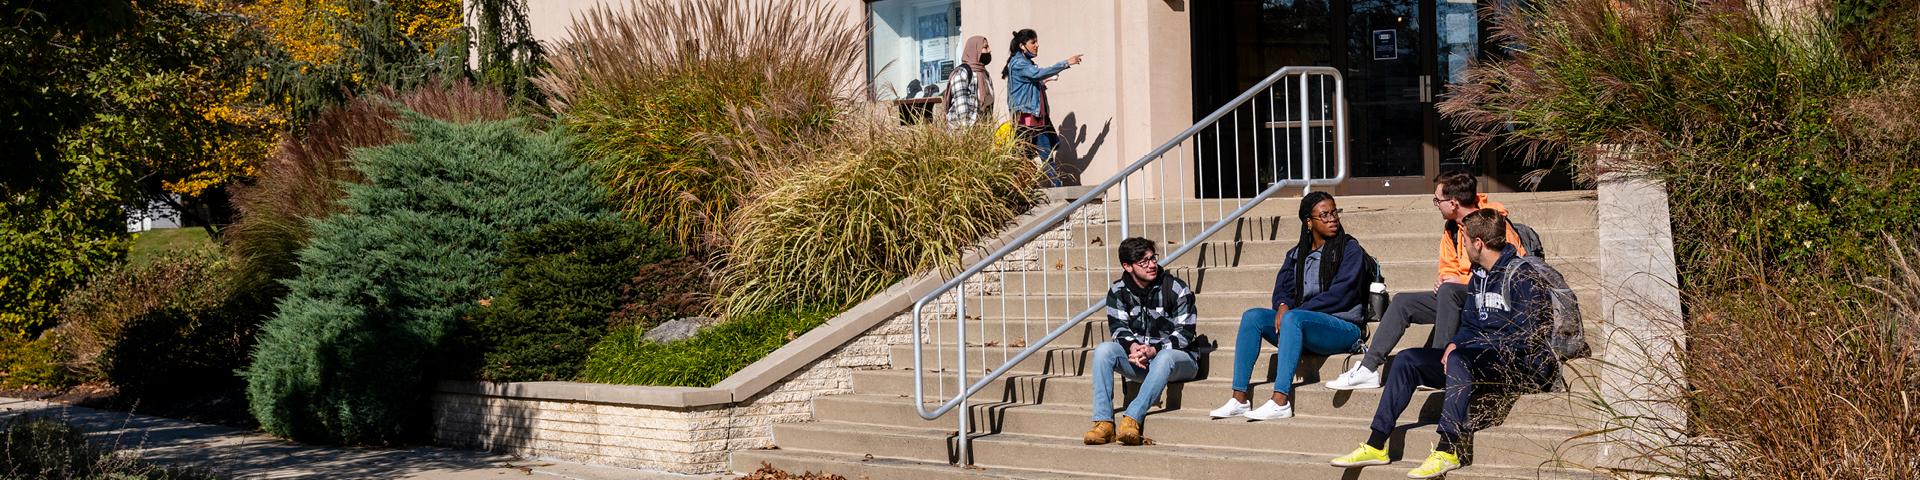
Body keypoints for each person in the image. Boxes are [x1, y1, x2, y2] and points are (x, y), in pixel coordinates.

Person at [1329, 209, 1560, 478]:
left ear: (1478, 243)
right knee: (1407, 360)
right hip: (1478, 358)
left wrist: (1470, 348)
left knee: (1460, 359)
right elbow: (1471, 323)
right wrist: (1457, 342)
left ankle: (1448, 449)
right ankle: (1376, 443)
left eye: (1465, 240)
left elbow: (1531, 334)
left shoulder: (1522, 275)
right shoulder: (1479, 277)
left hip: (1515, 364)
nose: (1462, 247)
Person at [1325, 170, 1526, 390]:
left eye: (1437, 200)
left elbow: (1513, 272)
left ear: (1454, 202)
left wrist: (1457, 281)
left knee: (1449, 291)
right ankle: (1368, 368)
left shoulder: (1494, 223)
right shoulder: (1452, 229)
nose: (1436, 205)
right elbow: (1448, 268)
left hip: (1492, 299)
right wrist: (1446, 279)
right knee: (1403, 302)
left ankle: (1437, 369)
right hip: (1459, 297)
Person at [1208, 192, 1370, 421]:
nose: (1332, 218)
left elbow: (1341, 294)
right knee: (1252, 316)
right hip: (1305, 327)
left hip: (1343, 327)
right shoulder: (1296, 254)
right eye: (1324, 215)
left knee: (1293, 319)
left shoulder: (1349, 249)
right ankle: (1239, 399)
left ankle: (1280, 401)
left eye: (1334, 212)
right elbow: (1283, 289)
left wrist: (1294, 313)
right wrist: (1283, 305)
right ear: (1309, 222)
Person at [1083, 237, 1198, 446]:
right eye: (1143, 262)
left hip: (1181, 360)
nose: (1152, 265)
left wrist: (1154, 349)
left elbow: (1186, 333)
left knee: (1164, 357)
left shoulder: (1176, 288)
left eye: (1152, 258)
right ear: (1127, 266)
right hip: (1142, 361)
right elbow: (1118, 328)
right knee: (1103, 351)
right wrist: (1134, 347)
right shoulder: (1117, 291)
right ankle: (1104, 423)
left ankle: (1132, 418)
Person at [1002, 28, 1081, 187]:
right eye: (1033, 42)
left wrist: (1045, 81)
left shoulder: (1024, 62)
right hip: (1028, 118)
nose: (1037, 45)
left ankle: (1047, 188)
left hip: (1036, 117)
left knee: (1039, 155)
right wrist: (1066, 63)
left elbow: (1031, 83)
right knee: (1034, 155)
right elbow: (1037, 74)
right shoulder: (1019, 63)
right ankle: (1050, 188)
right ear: (1023, 46)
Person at [944, 35, 994, 127]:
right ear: (975, 50)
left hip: (980, 132)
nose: (990, 50)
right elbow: (962, 110)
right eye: (985, 47)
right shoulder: (962, 74)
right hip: (962, 133)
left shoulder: (985, 75)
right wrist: (968, 137)